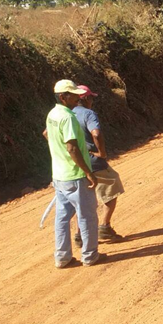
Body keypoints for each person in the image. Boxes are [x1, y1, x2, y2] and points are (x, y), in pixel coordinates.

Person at [45, 80, 103, 268]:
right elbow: (72, 147)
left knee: (62, 217)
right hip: (75, 175)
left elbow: (47, 136)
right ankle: (90, 255)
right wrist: (88, 172)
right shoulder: (67, 117)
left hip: (59, 175)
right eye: (73, 94)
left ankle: (62, 257)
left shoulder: (52, 114)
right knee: (87, 215)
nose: (78, 97)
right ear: (63, 97)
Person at [71, 85, 125, 245]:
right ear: (86, 98)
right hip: (94, 162)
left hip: (75, 163)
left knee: (80, 199)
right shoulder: (88, 114)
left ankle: (79, 234)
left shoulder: (65, 114)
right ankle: (104, 227)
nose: (92, 101)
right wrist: (101, 153)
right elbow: (96, 133)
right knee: (112, 185)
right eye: (92, 98)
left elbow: (47, 133)